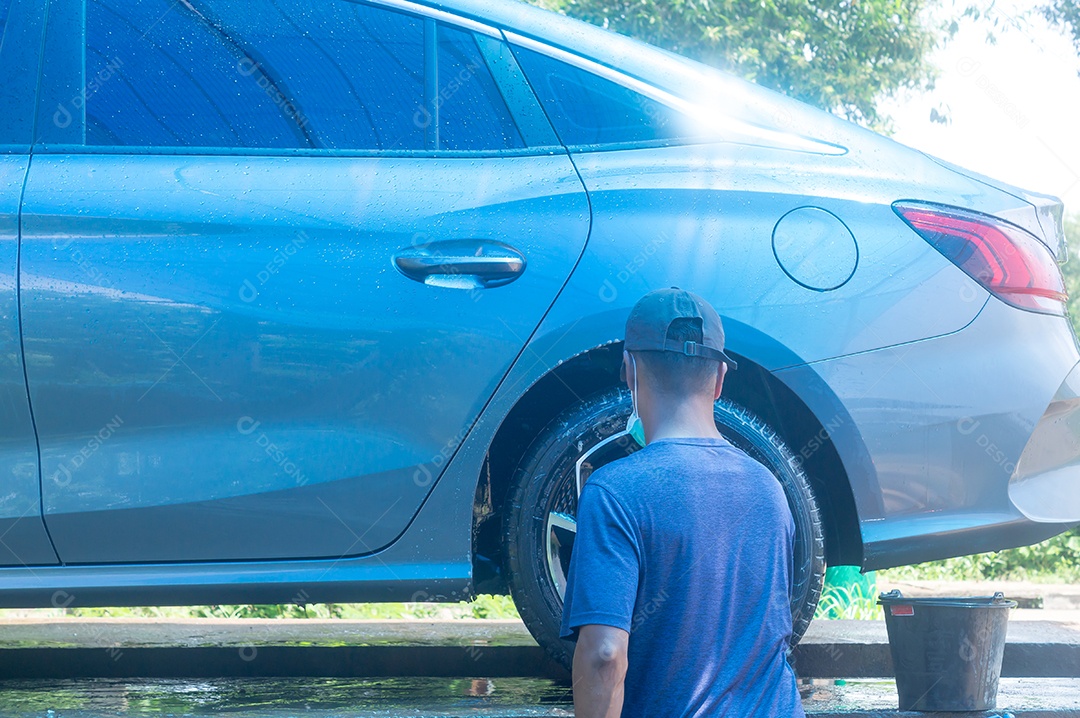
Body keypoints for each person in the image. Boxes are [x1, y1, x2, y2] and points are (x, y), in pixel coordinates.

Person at [560, 287, 805, 718]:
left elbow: (603, 655)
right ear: (720, 380)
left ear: (629, 370)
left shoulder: (614, 492)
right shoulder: (770, 488)